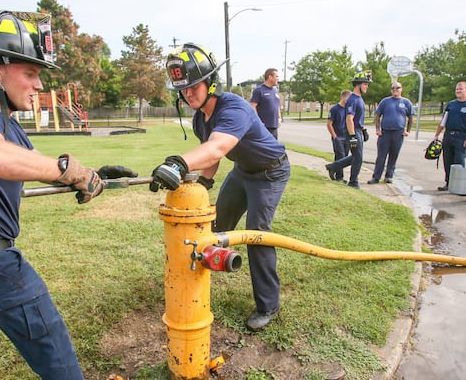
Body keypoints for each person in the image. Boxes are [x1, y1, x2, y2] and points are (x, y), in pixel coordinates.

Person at [0, 10, 137, 379]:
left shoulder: (8, 128)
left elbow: (33, 163)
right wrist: (66, 169)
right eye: (29, 73)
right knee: (54, 347)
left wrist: (91, 175)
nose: (37, 85)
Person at [151, 43, 290, 331]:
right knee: (214, 227)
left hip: (271, 173)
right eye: (183, 89)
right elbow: (209, 154)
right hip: (243, 172)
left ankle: (268, 305)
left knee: (256, 235)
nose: (188, 94)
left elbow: (217, 148)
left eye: (193, 86)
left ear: (211, 83)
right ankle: (198, 281)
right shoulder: (200, 116)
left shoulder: (234, 108)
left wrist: (178, 164)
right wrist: (202, 184)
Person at [324, 71, 372, 188]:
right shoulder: (353, 99)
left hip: (358, 130)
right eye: (365, 84)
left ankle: (333, 167)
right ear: (358, 84)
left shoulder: (359, 99)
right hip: (354, 131)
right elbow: (349, 119)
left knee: (356, 156)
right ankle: (353, 182)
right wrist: (353, 136)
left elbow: (356, 118)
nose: (367, 87)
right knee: (358, 158)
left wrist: (362, 130)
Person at [433, 81, 466, 191]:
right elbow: (444, 120)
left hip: (461, 136)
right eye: (457, 89)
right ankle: (448, 183)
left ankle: (460, 185)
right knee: (447, 160)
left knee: (459, 161)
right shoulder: (451, 104)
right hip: (448, 135)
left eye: (460, 89)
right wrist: (437, 134)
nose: (458, 91)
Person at [367, 82, 414, 184]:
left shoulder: (406, 102)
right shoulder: (385, 101)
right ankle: (376, 177)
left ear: (401, 89)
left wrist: (408, 131)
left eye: (397, 88)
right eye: (393, 88)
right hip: (385, 133)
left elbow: (410, 118)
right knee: (381, 156)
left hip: (398, 132)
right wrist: (378, 129)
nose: (395, 90)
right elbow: (377, 115)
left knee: (394, 155)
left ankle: (389, 176)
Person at [326, 90, 352, 182]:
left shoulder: (349, 109)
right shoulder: (335, 109)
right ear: (343, 97)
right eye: (349, 98)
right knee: (340, 156)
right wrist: (334, 136)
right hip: (338, 136)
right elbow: (329, 124)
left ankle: (333, 169)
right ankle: (339, 177)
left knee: (344, 156)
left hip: (347, 136)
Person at [249, 68, 282, 139]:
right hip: (263, 127)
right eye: (276, 76)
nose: (278, 79)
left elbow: (277, 105)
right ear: (270, 77)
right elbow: (252, 106)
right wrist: (258, 122)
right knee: (262, 148)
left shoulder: (275, 90)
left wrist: (279, 118)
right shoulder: (259, 90)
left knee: (273, 147)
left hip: (274, 126)